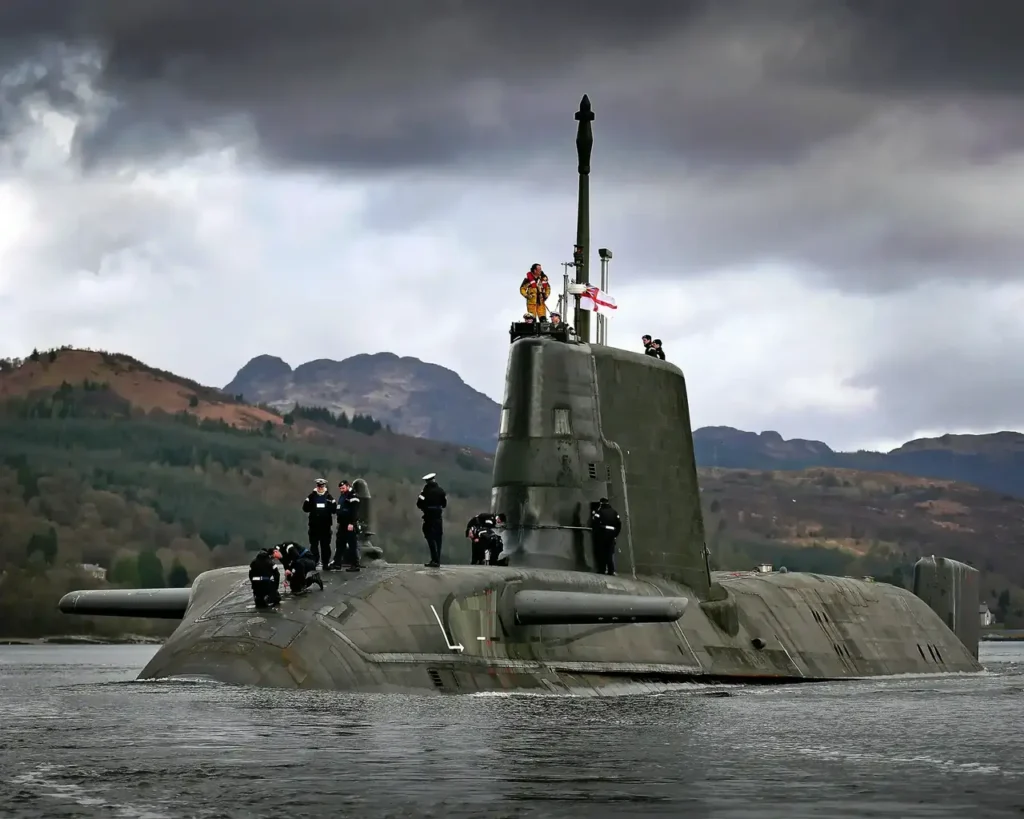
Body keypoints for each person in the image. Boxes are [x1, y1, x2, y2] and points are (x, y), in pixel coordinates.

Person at [302, 477, 335, 568]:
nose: (320, 487)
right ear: (317, 486)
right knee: (314, 546)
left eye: (322, 486)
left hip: (325, 527)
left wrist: (328, 508)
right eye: (319, 486)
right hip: (314, 526)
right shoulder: (311, 496)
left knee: (325, 546)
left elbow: (334, 509)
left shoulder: (329, 497)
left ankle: (325, 563)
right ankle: (315, 562)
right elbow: (305, 508)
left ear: (324, 486)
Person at [417, 472, 448, 567]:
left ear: (427, 481)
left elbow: (419, 503)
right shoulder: (441, 491)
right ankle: (437, 559)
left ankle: (434, 559)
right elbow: (444, 504)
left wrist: (425, 508)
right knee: (438, 539)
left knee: (430, 537)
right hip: (438, 517)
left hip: (428, 517)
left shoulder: (424, 492)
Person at [331, 479, 362, 572]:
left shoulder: (353, 496)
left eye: (343, 488)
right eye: (340, 488)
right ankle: (337, 563)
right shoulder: (343, 496)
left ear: (348, 486)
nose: (341, 490)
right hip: (342, 525)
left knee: (352, 545)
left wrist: (352, 523)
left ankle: (355, 565)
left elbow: (355, 512)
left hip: (349, 525)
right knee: (340, 544)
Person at [589, 497, 622, 576]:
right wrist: (615, 534)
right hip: (611, 535)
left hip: (602, 534)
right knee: (610, 552)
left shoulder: (599, 512)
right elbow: (619, 524)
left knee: (602, 552)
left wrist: (596, 533)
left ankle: (602, 569)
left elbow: (595, 523)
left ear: (601, 503)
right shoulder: (614, 512)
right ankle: (611, 570)